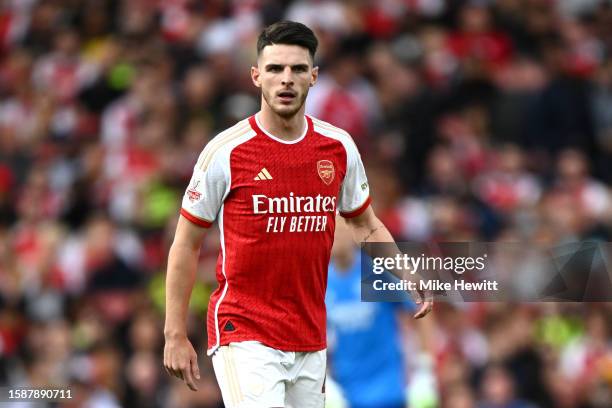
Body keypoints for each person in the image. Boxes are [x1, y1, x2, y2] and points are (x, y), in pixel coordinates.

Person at [163, 21, 432, 408]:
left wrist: (405, 271)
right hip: (245, 331)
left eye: (297, 69)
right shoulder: (226, 152)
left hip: (309, 334)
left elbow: (365, 223)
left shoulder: (338, 148)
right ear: (256, 76)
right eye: (275, 69)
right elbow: (186, 244)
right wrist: (174, 332)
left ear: (314, 76)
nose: (286, 79)